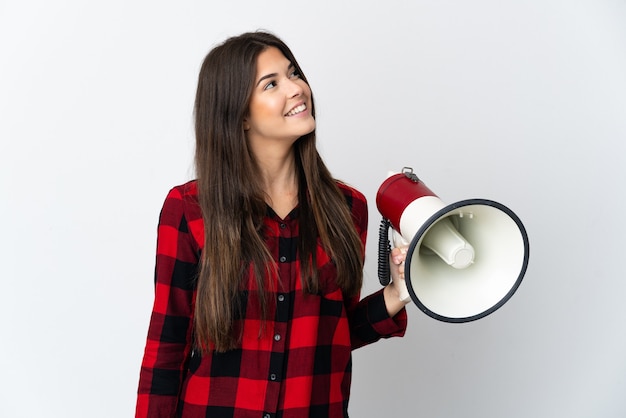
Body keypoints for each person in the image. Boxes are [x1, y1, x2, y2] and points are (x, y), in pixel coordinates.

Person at [136, 31, 410, 418]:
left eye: (294, 73)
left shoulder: (347, 208)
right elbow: (166, 349)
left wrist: (397, 293)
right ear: (241, 115)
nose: (296, 88)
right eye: (272, 84)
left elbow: (332, 334)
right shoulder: (189, 210)